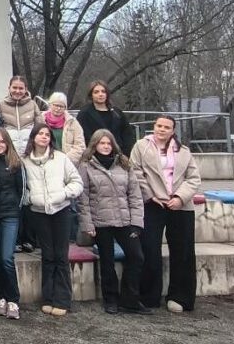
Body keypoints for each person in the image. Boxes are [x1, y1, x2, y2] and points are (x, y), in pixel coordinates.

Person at [130, 115, 201, 312]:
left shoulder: (184, 151)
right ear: (154, 127)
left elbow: (194, 178)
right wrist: (150, 195)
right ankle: (149, 296)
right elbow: (135, 172)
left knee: (183, 250)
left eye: (166, 127)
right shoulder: (141, 146)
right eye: (159, 126)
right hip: (153, 203)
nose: (162, 129)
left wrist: (180, 197)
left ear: (173, 130)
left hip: (180, 205)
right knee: (150, 248)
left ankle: (181, 297)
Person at [78, 129, 150, 315]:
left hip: (124, 220)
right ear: (94, 145)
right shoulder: (86, 166)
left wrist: (136, 221)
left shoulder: (124, 164)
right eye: (102, 143)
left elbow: (134, 195)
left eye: (108, 143)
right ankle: (110, 299)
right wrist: (88, 224)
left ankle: (130, 299)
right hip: (101, 221)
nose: (105, 146)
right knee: (107, 263)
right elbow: (83, 198)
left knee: (136, 256)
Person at [22, 123, 83, 317]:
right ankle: (48, 298)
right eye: (40, 134)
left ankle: (63, 299)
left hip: (61, 210)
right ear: (33, 137)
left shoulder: (61, 158)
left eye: (47, 134)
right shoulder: (25, 162)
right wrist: (31, 199)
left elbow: (76, 182)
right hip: (39, 212)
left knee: (61, 255)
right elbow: (22, 189)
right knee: (47, 255)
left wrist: (63, 194)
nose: (44, 137)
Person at [0, 127, 24, 320]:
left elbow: (22, 191)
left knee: (7, 258)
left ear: (7, 143)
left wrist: (16, 209)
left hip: (10, 215)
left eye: (1, 142)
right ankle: (1, 296)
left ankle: (13, 299)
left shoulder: (15, 163)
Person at [77, 80, 136, 156]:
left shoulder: (117, 112)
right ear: (91, 95)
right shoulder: (84, 114)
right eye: (96, 92)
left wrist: (125, 154)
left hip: (119, 155)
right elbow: (83, 137)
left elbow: (127, 134)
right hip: (94, 157)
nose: (100, 94)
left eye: (103, 91)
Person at [0, 75, 41, 154]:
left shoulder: (32, 104)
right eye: (14, 87)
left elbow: (41, 127)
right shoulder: (1, 105)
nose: (17, 91)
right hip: (9, 152)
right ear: (9, 88)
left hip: (29, 151)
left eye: (21, 88)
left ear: (26, 89)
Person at [43, 92, 85, 165]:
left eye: (62, 106)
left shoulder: (73, 123)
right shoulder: (40, 120)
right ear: (50, 105)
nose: (58, 108)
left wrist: (65, 159)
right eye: (56, 105)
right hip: (44, 161)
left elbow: (80, 146)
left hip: (66, 163)